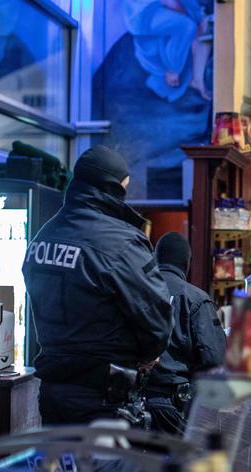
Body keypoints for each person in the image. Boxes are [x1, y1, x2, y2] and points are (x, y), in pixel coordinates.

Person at [22, 145, 174, 425]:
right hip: (103, 397)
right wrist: (149, 354)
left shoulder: (42, 237)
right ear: (112, 188)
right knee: (104, 468)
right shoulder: (121, 242)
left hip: (53, 392)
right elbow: (156, 314)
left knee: (62, 466)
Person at [146, 232, 226, 435]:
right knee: (184, 464)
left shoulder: (137, 289)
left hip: (133, 404)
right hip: (174, 405)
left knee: (138, 465)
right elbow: (215, 359)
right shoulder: (196, 299)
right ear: (186, 262)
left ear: (156, 257)